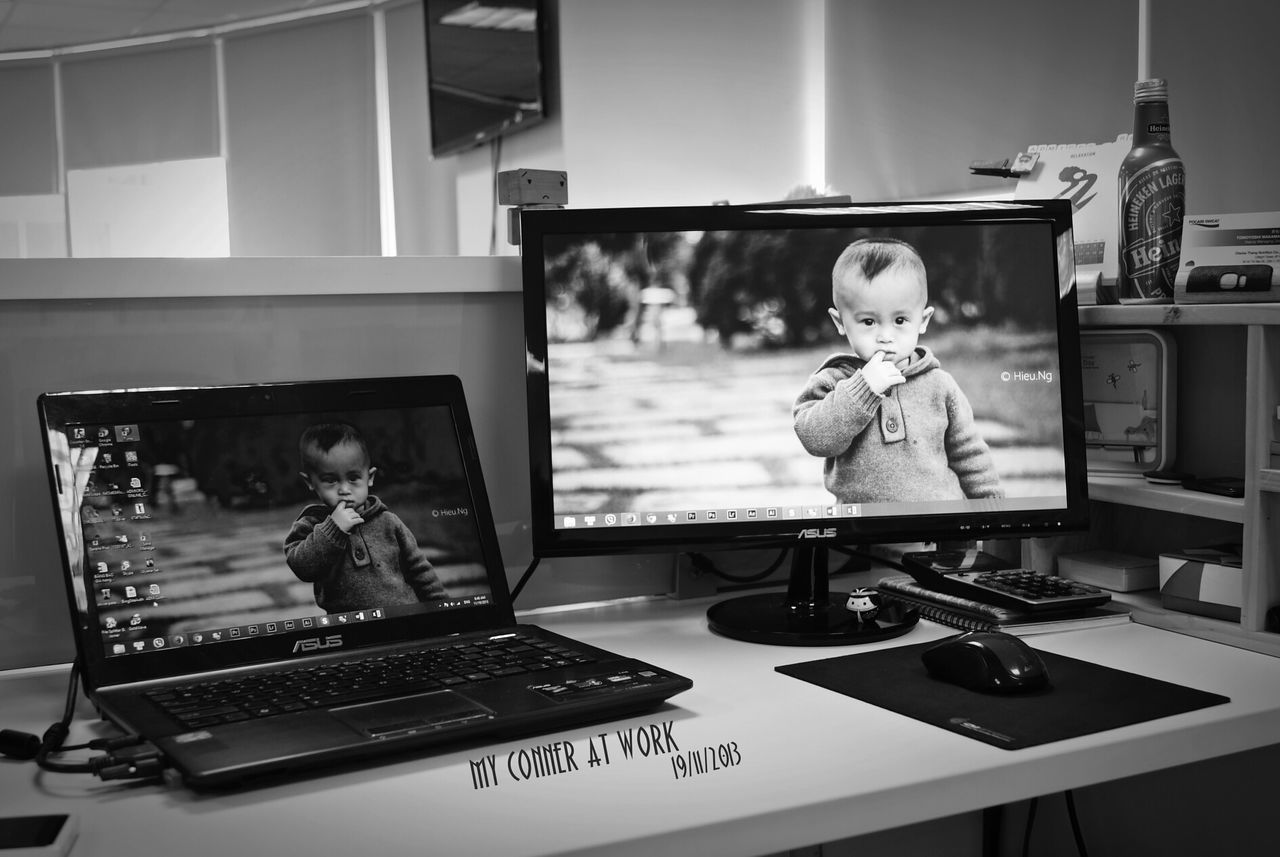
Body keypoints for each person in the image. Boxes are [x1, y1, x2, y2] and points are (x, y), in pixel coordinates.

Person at [793, 238, 1002, 504]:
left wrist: (993, 506)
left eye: (900, 320)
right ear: (840, 322)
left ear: (923, 321)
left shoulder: (939, 385)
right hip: (862, 528)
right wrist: (863, 388)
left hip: (939, 523)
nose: (886, 336)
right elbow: (815, 439)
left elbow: (969, 452)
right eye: (868, 321)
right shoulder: (835, 380)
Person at [285, 422, 446, 613]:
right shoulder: (311, 525)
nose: (345, 490)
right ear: (310, 482)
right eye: (330, 480)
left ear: (370, 477)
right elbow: (303, 567)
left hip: (407, 616)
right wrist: (333, 529)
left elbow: (419, 569)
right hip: (351, 627)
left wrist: (443, 606)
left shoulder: (388, 521)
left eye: (353, 478)